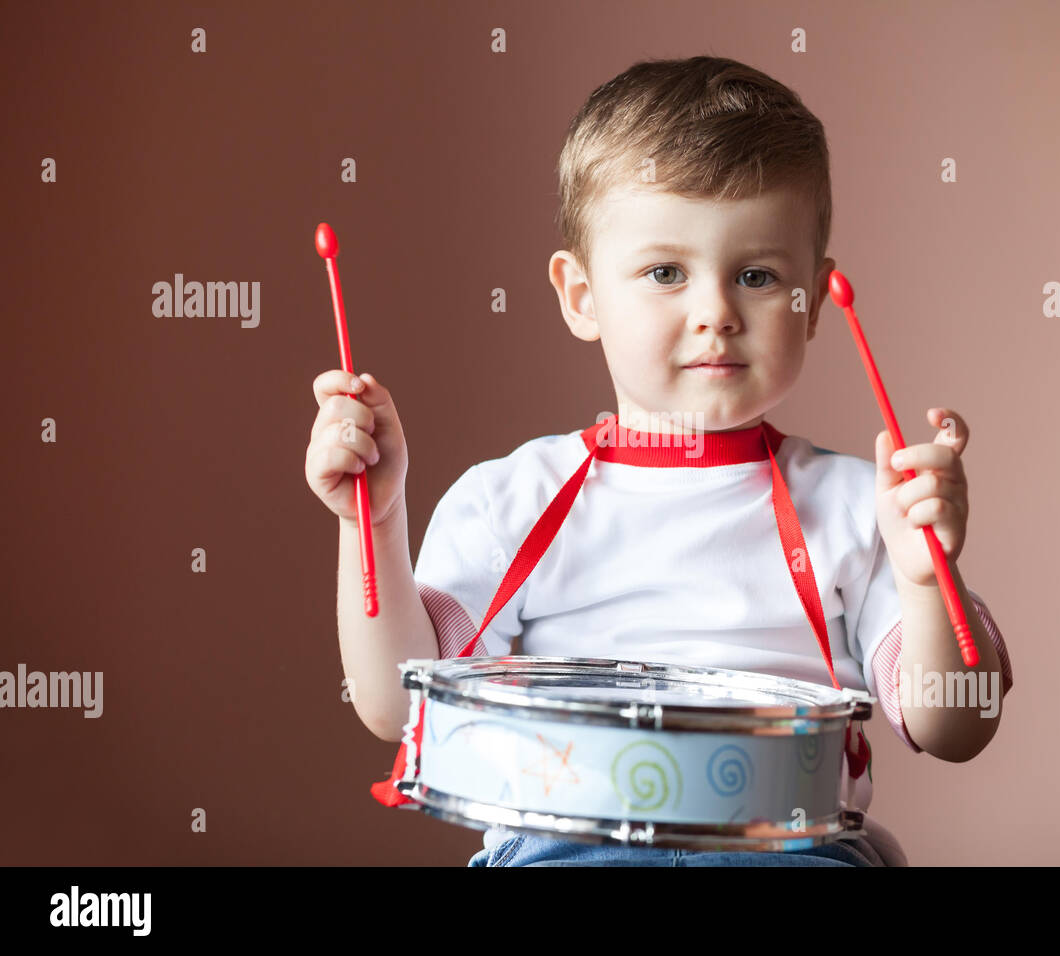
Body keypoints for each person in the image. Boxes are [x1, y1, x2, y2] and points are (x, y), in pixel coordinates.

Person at [304, 55, 1013, 867]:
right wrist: (374, 521)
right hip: (562, 851)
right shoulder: (511, 502)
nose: (715, 312)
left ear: (813, 301)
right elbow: (397, 707)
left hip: (790, 853)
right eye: (665, 272)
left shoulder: (862, 506)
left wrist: (929, 585)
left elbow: (957, 724)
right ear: (582, 297)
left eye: (756, 275)